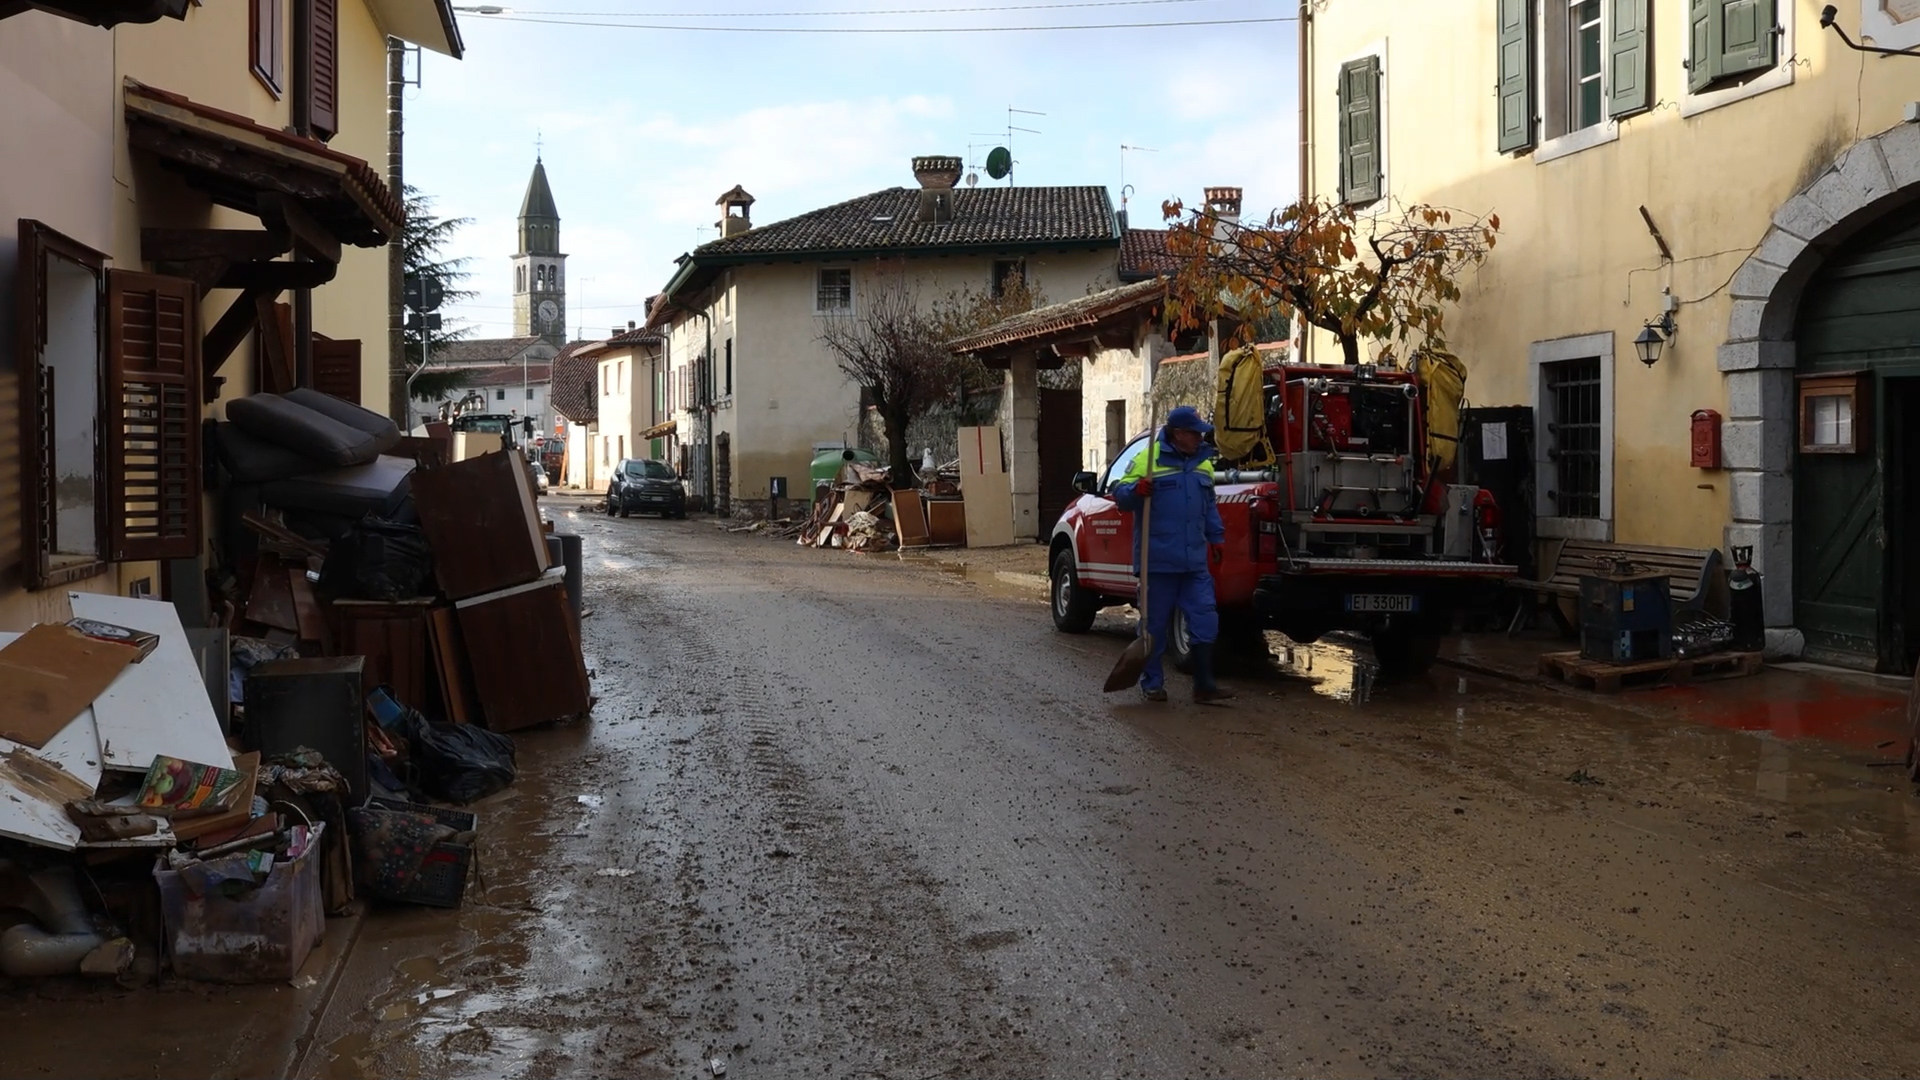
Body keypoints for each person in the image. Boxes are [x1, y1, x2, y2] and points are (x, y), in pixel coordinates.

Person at [1111, 405, 1235, 705]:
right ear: (1178, 434)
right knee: (1153, 626)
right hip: (1157, 562)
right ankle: (1152, 684)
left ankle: (1204, 685)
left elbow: (1209, 506)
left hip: (1194, 561)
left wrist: (1216, 537)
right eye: (1195, 433)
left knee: (1205, 618)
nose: (1200, 438)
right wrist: (1135, 490)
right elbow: (1120, 496)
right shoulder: (1147, 459)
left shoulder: (1203, 464)